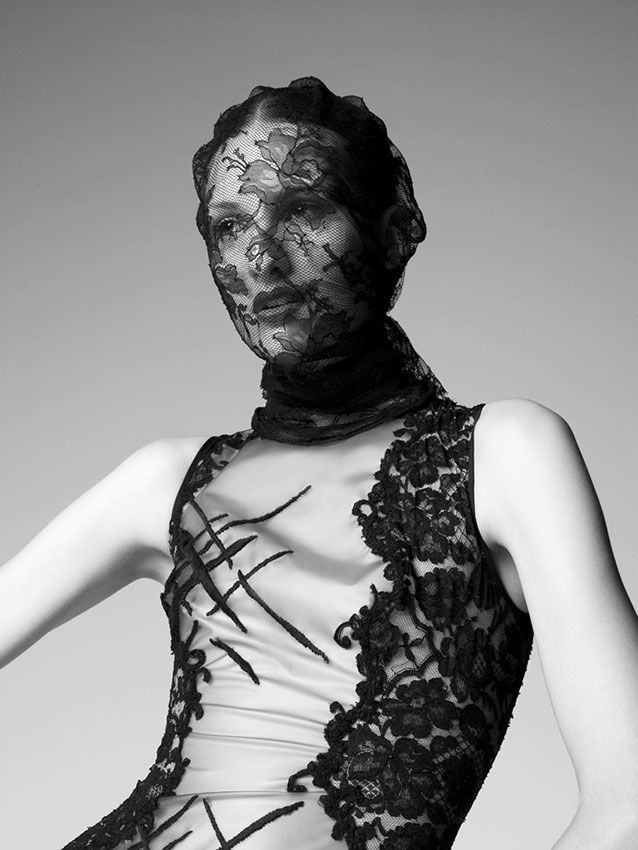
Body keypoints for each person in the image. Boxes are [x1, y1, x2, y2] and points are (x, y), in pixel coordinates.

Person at [2, 76, 637, 850]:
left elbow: (630, 806)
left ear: (396, 229)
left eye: (302, 210)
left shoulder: (505, 455)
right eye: (228, 226)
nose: (262, 256)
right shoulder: (168, 484)